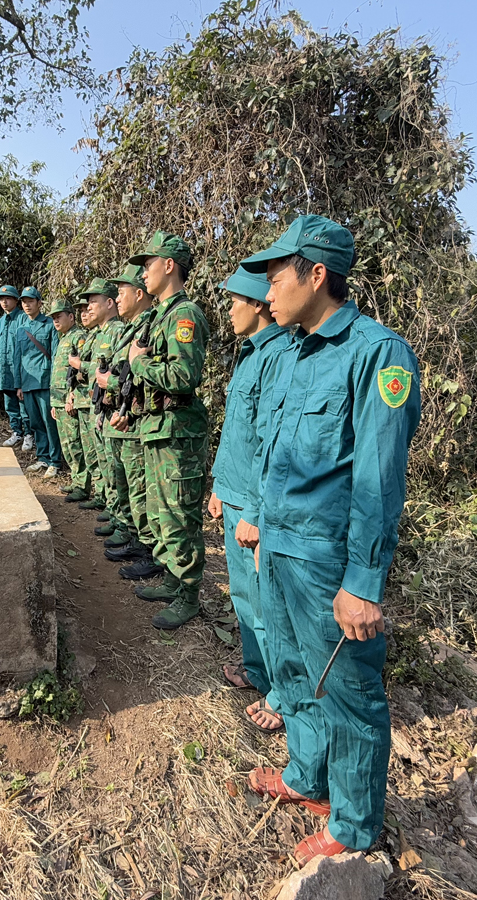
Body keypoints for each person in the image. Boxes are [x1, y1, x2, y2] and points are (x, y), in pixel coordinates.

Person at [236, 215, 421, 864]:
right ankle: (307, 777)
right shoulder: (290, 352)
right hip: (280, 550)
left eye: (275, 278)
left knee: (348, 695)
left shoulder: (377, 354)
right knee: (291, 674)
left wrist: (362, 584)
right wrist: (262, 525)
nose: (267, 293)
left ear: (317, 275)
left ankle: (356, 825)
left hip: (327, 563)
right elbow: (276, 453)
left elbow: (378, 479)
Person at [207, 265, 294, 733]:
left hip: (255, 504)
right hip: (236, 494)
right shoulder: (250, 352)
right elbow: (238, 433)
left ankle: (282, 695)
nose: (230, 312)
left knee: (267, 606)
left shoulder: (278, 356)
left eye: (235, 302)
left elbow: (271, 444)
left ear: (257, 305)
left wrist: (257, 513)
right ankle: (257, 671)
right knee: (243, 597)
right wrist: (220, 487)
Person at [126, 231, 210, 630]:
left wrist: (139, 363)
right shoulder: (161, 315)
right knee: (162, 516)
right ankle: (175, 581)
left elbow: (183, 376)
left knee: (180, 517)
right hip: (158, 428)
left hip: (178, 432)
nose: (144, 273)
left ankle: (190, 596)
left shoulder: (184, 315)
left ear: (169, 265)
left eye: (148, 265)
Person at [100, 264, 161, 580]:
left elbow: (137, 375)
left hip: (137, 421)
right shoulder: (132, 327)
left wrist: (110, 384)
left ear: (139, 294)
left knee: (140, 491)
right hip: (126, 417)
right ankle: (140, 541)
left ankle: (149, 551)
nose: (117, 298)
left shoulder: (148, 325)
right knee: (130, 488)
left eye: (121, 292)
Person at [77, 278, 125, 526]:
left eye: (94, 301)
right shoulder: (99, 334)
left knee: (114, 464)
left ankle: (119, 515)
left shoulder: (118, 331)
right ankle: (111, 506)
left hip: (111, 408)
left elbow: (116, 372)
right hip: (98, 406)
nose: (89, 307)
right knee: (104, 460)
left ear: (109, 303)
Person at [15, 286, 62, 478]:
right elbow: (17, 358)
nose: (27, 305)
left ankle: (55, 461)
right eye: (24, 302)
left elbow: (56, 355)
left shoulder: (49, 324)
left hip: (45, 381)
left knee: (49, 422)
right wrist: (18, 384)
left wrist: (55, 382)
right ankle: (43, 457)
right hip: (27, 383)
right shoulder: (21, 328)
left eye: (31, 301)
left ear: (39, 303)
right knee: (35, 423)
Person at [64, 293, 100, 506]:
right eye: (81, 311)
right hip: (82, 399)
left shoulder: (89, 336)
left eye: (87, 309)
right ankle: (99, 493)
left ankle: (101, 495)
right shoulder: (91, 336)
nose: (84, 314)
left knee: (95, 451)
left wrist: (79, 368)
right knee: (87, 449)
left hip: (91, 401)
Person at [49, 294, 87, 491]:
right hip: (59, 401)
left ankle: (82, 484)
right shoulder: (62, 339)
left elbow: (80, 371)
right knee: (67, 445)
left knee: (75, 443)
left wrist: (71, 397)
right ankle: (76, 480)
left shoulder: (78, 336)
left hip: (69, 401)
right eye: (53, 317)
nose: (55, 320)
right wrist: (54, 403)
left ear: (71, 317)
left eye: (59, 316)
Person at [0, 285, 33, 450]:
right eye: (2, 299)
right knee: (10, 404)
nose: (4, 302)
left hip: (20, 370)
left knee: (24, 404)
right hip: (4, 370)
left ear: (16, 300)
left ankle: (29, 434)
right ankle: (17, 432)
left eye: (8, 298)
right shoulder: (0, 322)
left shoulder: (23, 318)